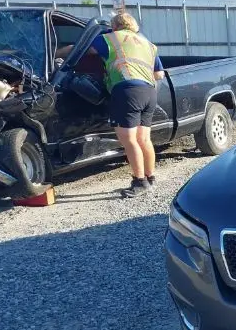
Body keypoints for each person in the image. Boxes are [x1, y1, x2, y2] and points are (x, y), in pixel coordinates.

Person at [58, 12, 165, 197]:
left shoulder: (109, 39)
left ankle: (139, 182)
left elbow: (79, 50)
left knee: (128, 139)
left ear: (114, 25)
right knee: (144, 139)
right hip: (149, 92)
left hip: (127, 91)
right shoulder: (147, 44)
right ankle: (150, 177)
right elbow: (159, 74)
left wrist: (56, 54)